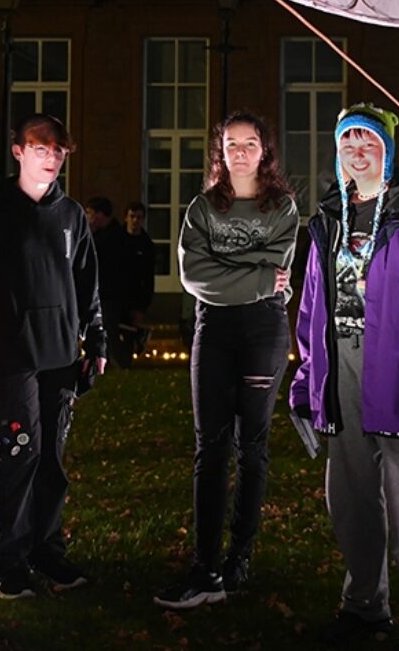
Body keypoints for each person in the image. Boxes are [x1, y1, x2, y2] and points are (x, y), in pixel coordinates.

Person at [290, 103, 399, 651]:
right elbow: (312, 302)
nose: (357, 152)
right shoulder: (326, 217)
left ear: (387, 152)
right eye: (348, 144)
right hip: (340, 365)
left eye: (368, 143)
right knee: (352, 495)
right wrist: (306, 379)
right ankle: (364, 605)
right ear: (337, 153)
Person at [153, 112, 299, 609]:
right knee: (209, 447)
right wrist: (254, 275)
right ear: (220, 151)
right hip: (213, 330)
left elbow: (278, 269)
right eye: (231, 144)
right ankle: (204, 567)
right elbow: (194, 274)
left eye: (250, 143)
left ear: (265, 151)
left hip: (262, 331)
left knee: (252, 447)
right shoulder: (202, 209)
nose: (240, 152)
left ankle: (239, 556)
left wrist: (232, 273)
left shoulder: (281, 207)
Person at [0, 114, 107, 599]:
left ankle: (46, 548)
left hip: (60, 355)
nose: (50, 159)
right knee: (19, 454)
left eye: (58, 152)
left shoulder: (70, 215)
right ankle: (8, 556)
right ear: (18, 152)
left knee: (52, 457)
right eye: (40, 149)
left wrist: (96, 340)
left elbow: (86, 282)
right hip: (11, 355)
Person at [85, 195, 125, 365]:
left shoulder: (111, 237)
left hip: (109, 293)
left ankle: (114, 361)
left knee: (109, 327)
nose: (87, 217)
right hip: (104, 291)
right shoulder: (104, 235)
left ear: (100, 215)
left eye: (89, 213)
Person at [119, 200, 156, 364]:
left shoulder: (146, 245)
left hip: (134, 293)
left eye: (139, 218)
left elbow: (148, 277)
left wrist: (143, 305)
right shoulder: (117, 239)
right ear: (126, 218)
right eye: (132, 217)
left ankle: (125, 361)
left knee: (128, 329)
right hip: (117, 290)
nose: (135, 221)